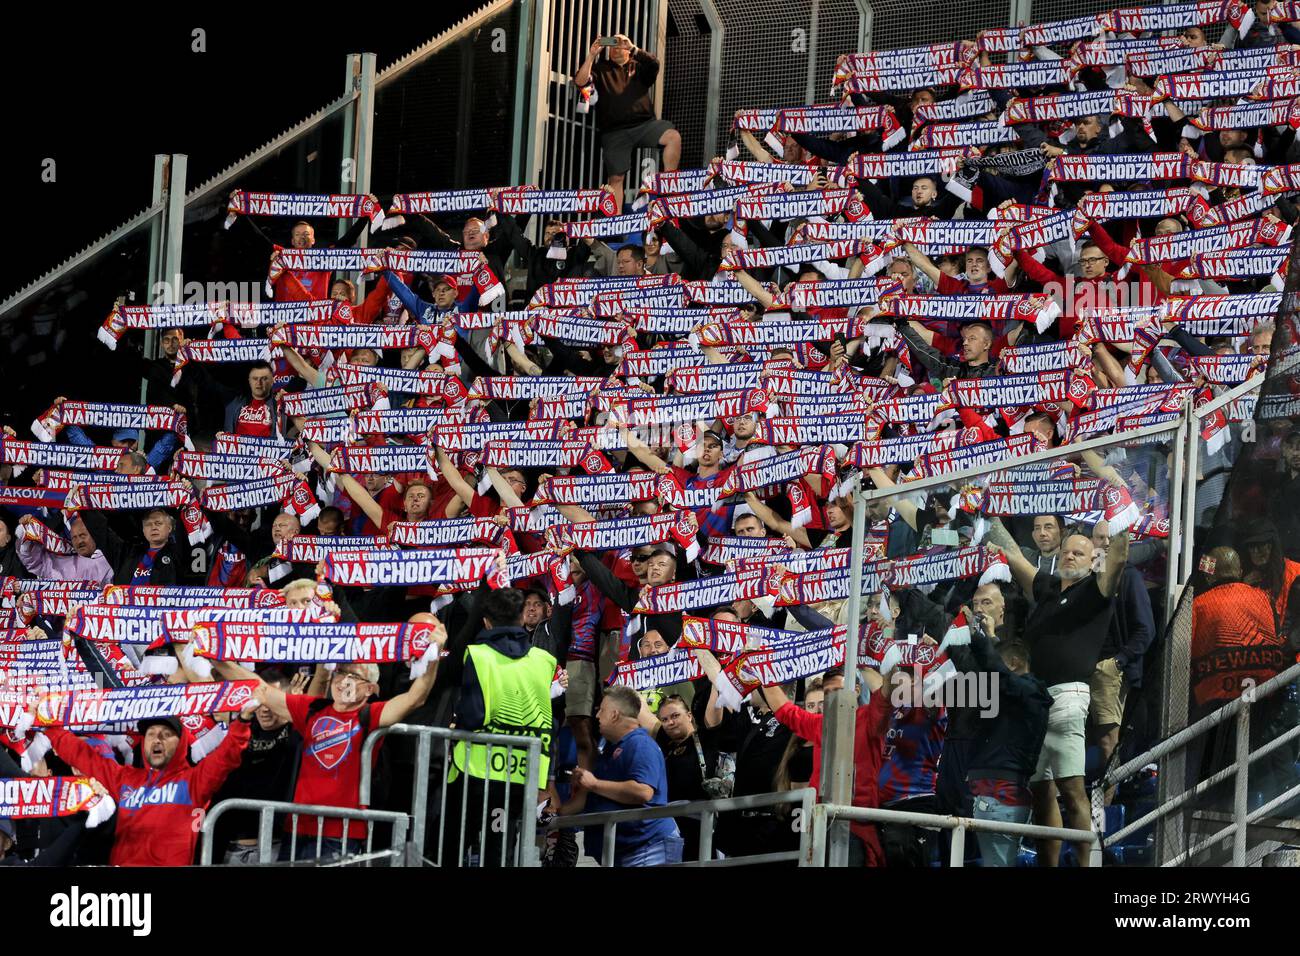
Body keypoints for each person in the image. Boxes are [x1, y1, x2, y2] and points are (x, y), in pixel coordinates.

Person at [209, 620, 445, 862]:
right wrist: (215, 657)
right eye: (341, 672)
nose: (344, 680)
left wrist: (433, 655)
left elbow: (415, 698)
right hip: (296, 826)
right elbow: (259, 688)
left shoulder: (370, 715)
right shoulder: (312, 709)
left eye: (354, 676)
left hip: (341, 833)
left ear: (370, 689)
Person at [987, 521, 1129, 867]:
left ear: (1093, 558)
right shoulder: (1050, 588)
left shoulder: (1096, 590)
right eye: (1066, 551)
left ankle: (1086, 865)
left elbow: (1119, 559)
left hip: (1068, 697)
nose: (1069, 556)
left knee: (1072, 789)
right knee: (1041, 793)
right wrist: (987, 515)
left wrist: (1122, 518)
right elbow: (1015, 557)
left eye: (1078, 552)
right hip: (1035, 702)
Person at [39, 714, 251, 866]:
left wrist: (241, 722)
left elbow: (226, 757)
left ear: (182, 742)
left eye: (166, 734)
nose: (157, 739)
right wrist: (48, 723)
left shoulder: (194, 781)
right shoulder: (125, 778)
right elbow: (83, 755)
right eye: (151, 734)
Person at [444, 588, 557, 867]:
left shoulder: (477, 655)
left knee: (453, 848)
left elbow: (472, 714)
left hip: (475, 770)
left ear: (486, 621)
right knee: (500, 850)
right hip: (520, 774)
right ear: (521, 618)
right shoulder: (544, 660)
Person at [948, 612, 1052, 867]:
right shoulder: (1017, 700)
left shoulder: (1030, 693)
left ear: (1014, 663)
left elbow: (998, 673)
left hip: (998, 796)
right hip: (995, 795)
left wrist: (977, 636)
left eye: (1002, 663)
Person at [562, 684, 683, 866]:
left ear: (614, 714)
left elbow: (643, 792)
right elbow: (589, 798)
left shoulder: (640, 745)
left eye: (601, 710)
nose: (597, 716)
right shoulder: (610, 749)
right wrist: (552, 814)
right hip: (625, 853)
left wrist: (594, 783)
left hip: (648, 849)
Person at [209, 669, 307, 864]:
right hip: (231, 848)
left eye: (272, 703)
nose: (264, 709)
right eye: (260, 702)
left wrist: (295, 708)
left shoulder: (298, 732)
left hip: (275, 849)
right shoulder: (244, 727)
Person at [573, 34, 680, 197]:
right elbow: (580, 82)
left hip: (645, 125)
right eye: (612, 43)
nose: (615, 46)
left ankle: (668, 193)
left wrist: (633, 48)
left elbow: (654, 64)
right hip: (614, 131)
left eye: (620, 42)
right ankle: (616, 221)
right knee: (615, 178)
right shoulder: (601, 68)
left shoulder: (638, 66)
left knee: (673, 137)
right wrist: (592, 55)